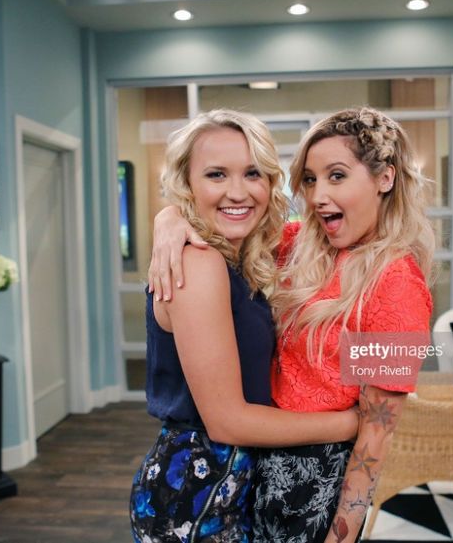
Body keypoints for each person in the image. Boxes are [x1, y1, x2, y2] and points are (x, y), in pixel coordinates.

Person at [149, 107, 434, 543]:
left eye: (337, 176)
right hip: (254, 470)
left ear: (385, 178)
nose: (318, 196)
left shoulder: (399, 284)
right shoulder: (301, 244)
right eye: (311, 179)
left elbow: (376, 437)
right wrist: (169, 218)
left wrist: (341, 536)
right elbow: (231, 222)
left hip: (318, 482)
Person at [129, 109, 359, 543]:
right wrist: (352, 423)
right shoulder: (199, 264)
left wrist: (169, 218)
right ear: (187, 184)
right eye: (216, 174)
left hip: (233, 486)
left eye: (252, 173)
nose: (238, 191)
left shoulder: (244, 256)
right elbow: (227, 422)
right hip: (196, 497)